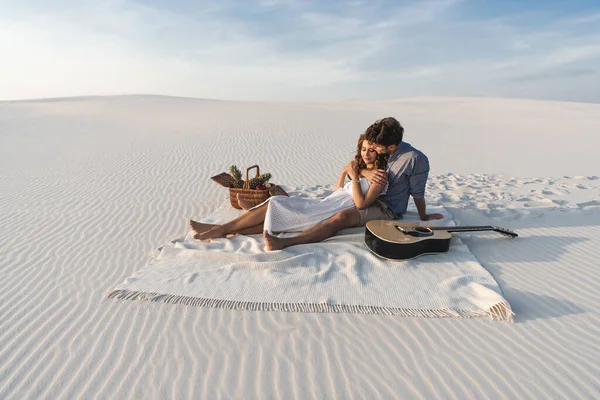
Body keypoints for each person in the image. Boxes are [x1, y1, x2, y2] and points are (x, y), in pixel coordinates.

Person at [191, 134, 387, 242]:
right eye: (363, 149)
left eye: (371, 150)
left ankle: (221, 229)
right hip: (327, 202)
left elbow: (361, 204)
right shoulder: (359, 170)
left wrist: (353, 178)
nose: (366, 153)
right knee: (278, 211)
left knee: (277, 203)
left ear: (379, 152)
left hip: (330, 210)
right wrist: (345, 173)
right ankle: (221, 230)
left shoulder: (379, 177)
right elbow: (338, 192)